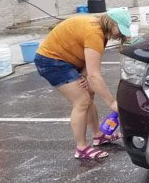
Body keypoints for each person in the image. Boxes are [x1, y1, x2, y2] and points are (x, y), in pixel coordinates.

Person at [34, 8, 132, 159]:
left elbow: (89, 65)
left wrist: (83, 75)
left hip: (66, 59)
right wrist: (112, 103)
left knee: (90, 92)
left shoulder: (100, 30)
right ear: (112, 23)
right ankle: (81, 148)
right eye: (119, 30)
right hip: (51, 61)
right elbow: (95, 75)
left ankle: (98, 136)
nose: (119, 35)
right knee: (82, 100)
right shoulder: (94, 33)